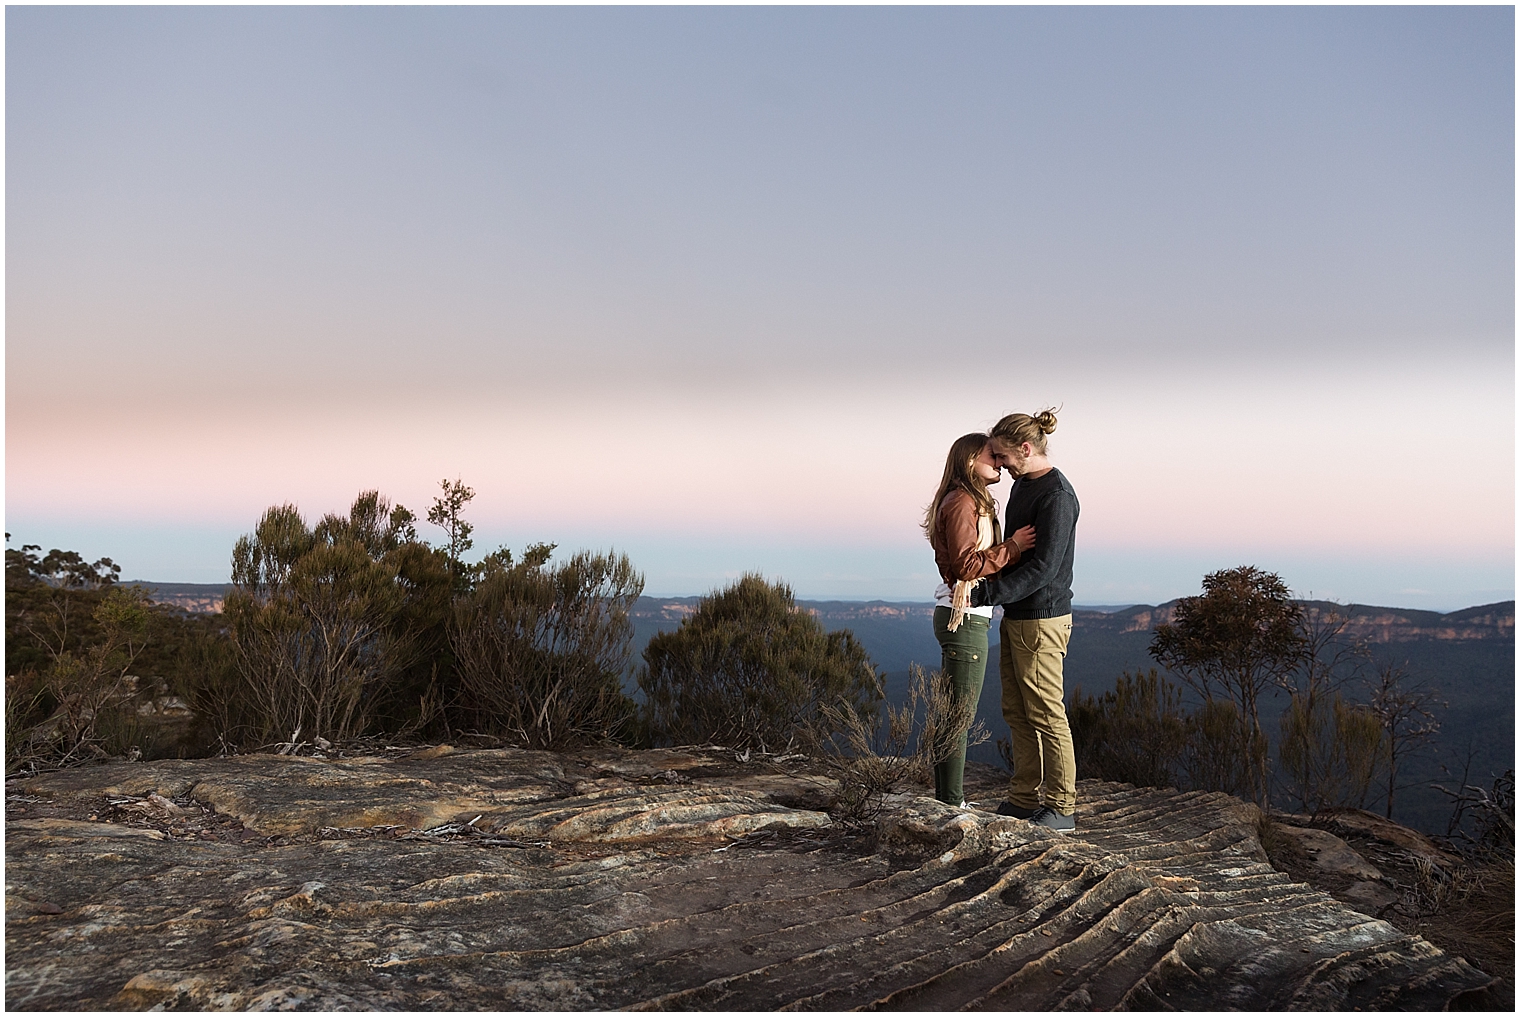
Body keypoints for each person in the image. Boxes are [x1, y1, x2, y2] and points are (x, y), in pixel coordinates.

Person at [975, 408, 1080, 833]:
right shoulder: (1024, 487)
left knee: (1046, 714)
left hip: (1042, 619)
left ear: (1026, 448)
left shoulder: (1056, 496)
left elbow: (1045, 570)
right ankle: (1023, 799)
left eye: (1003, 456)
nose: (999, 465)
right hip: (1017, 616)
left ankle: (1061, 807)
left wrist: (988, 593)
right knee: (1017, 711)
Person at [924, 432, 1036, 808]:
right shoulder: (962, 502)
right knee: (959, 716)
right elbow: (965, 566)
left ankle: (946, 799)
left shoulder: (974, 501)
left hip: (966, 615)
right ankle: (952, 802)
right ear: (971, 460)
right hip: (964, 616)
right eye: (993, 455)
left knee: (954, 713)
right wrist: (1014, 547)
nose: (1001, 461)